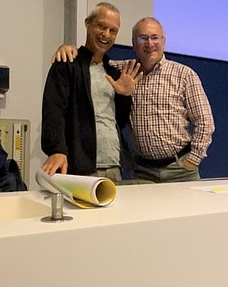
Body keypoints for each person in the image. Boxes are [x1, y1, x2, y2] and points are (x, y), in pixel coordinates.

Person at [53, 16, 215, 183]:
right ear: (134, 44)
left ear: (163, 41)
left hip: (180, 170)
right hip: (144, 171)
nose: (149, 43)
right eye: (143, 38)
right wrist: (68, 49)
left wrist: (192, 160)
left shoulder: (184, 75)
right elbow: (94, 62)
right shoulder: (122, 71)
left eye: (155, 38)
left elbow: (205, 121)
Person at [41, 2, 142, 183]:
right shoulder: (67, 63)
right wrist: (56, 150)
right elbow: (53, 111)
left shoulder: (114, 73)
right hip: (79, 167)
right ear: (88, 23)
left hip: (113, 166)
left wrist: (125, 96)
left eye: (113, 30)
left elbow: (118, 120)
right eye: (101, 26)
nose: (106, 35)